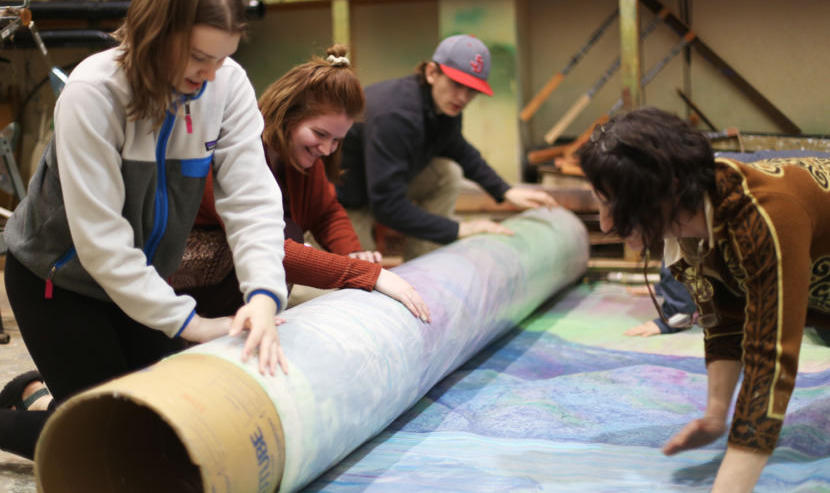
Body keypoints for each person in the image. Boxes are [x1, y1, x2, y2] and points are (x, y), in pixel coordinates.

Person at [0, 0, 289, 460]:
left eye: (222, 58)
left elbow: (252, 199)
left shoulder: (226, 84)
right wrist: (193, 324)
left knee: (168, 428)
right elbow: (102, 244)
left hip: (143, 284)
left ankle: (37, 395)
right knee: (114, 443)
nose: (210, 75)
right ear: (157, 33)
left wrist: (264, 295)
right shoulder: (94, 92)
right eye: (198, 57)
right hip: (59, 282)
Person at [578, 106, 830, 493]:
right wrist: (715, 416)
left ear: (665, 193)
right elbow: (724, 317)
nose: (605, 223)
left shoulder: (766, 216)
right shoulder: (696, 224)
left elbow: (770, 361)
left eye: (611, 203)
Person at [173, 44, 430, 322]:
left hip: (254, 259)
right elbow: (262, 241)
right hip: (177, 266)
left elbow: (326, 212)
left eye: (337, 140)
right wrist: (368, 274)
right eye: (320, 134)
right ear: (287, 116)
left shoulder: (302, 157)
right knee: (288, 234)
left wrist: (353, 253)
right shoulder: (232, 149)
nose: (327, 149)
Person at [337, 34, 557, 260]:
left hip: (377, 185)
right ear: (432, 73)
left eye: (472, 90)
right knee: (360, 271)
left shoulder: (444, 107)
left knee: (447, 173)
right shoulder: (396, 115)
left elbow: (458, 148)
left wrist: (505, 191)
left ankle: (423, 265)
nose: (463, 97)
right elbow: (387, 206)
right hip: (345, 200)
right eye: (457, 84)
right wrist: (459, 229)